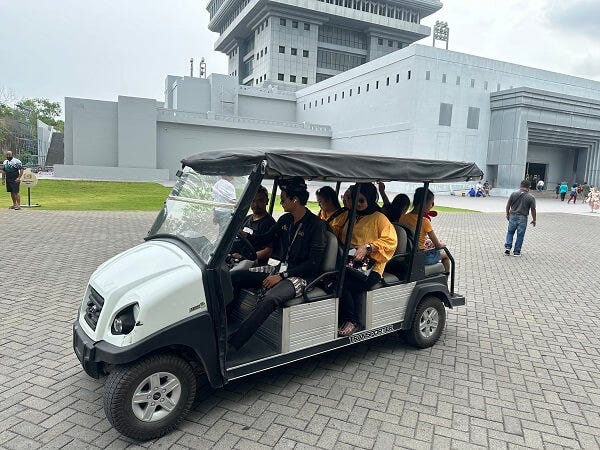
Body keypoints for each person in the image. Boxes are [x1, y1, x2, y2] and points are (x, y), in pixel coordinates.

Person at [228, 177, 327, 351]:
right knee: (234, 276)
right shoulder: (285, 220)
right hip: (280, 270)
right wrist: (243, 234)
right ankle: (225, 320)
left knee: (271, 298)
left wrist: (281, 277)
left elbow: (313, 264)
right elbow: (264, 238)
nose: (281, 201)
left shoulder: (315, 225)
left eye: (283, 198)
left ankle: (233, 343)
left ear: (295, 200)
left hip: (302, 276)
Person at [335, 183, 397, 336]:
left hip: (371, 268)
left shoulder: (379, 218)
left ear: (371, 199)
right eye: (355, 200)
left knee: (343, 284)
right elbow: (336, 229)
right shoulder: (352, 215)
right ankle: (340, 316)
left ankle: (352, 320)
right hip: (349, 261)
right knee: (329, 279)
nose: (358, 204)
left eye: (362, 201)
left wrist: (368, 247)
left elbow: (391, 241)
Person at [398, 187, 450, 272]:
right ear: (423, 204)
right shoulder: (424, 222)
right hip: (420, 257)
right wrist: (442, 244)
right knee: (446, 255)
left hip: (407, 254)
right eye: (431, 203)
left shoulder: (403, 217)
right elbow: (437, 245)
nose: (432, 206)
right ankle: (446, 280)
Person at [230, 186, 276, 266]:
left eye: (260, 201)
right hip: (236, 257)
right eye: (253, 201)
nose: (256, 205)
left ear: (267, 201)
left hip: (252, 263)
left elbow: (268, 251)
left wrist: (243, 258)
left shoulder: (269, 224)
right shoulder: (246, 219)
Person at [504, 180, 536, 257]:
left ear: (520, 185)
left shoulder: (514, 194)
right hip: (523, 217)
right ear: (529, 187)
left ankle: (508, 248)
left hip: (513, 216)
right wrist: (534, 219)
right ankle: (516, 252)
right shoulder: (531, 197)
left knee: (510, 232)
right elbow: (533, 209)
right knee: (520, 235)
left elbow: (508, 205)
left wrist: (507, 214)